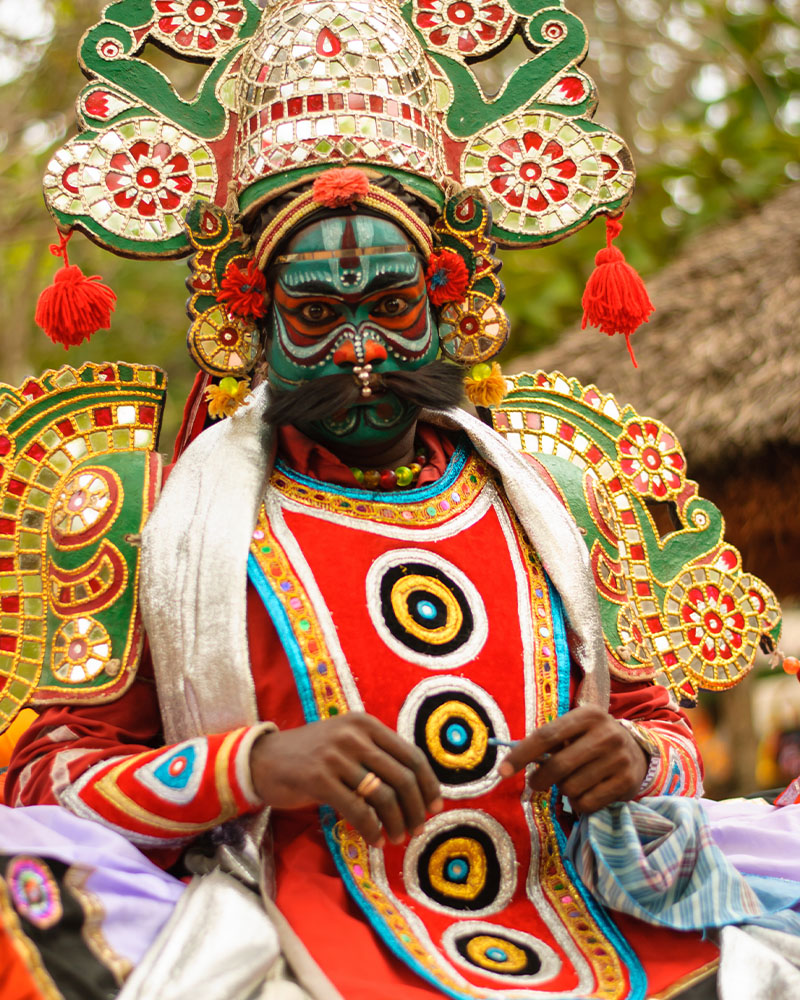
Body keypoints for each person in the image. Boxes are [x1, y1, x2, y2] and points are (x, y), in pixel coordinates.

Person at [2, 2, 798, 998]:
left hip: (596, 915)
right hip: (287, 930)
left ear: (447, 304)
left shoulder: (558, 491)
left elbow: (668, 737)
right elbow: (43, 781)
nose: (362, 348)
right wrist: (254, 766)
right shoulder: (151, 510)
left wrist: (632, 756)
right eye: (315, 314)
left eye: (390, 308)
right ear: (248, 320)